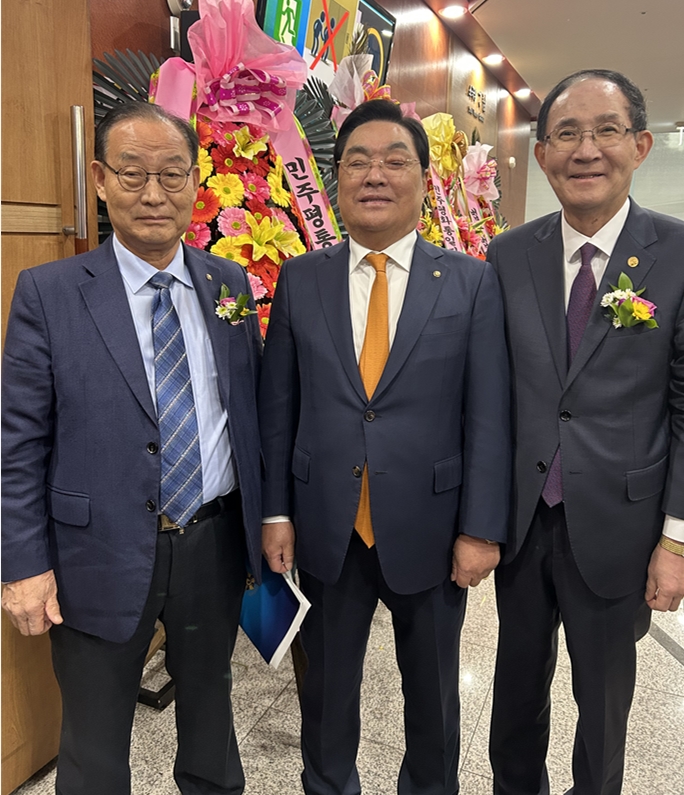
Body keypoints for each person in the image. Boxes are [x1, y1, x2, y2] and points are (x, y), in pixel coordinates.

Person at [1, 102, 263, 795]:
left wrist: (270, 521)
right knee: (93, 744)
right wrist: (23, 564)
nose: (154, 193)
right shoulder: (50, 292)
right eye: (132, 173)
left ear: (196, 181)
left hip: (212, 542)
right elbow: (18, 443)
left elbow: (250, 411)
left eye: (172, 174)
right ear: (99, 178)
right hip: (96, 552)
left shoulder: (228, 284)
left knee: (211, 719)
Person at [259, 98, 511, 795]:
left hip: (432, 528)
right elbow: (279, 409)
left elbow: (489, 416)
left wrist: (481, 529)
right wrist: (276, 513)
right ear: (337, 178)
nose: (375, 175)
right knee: (325, 694)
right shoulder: (301, 278)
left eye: (395, 161)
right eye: (358, 162)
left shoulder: (469, 281)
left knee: (432, 697)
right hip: (326, 527)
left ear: (423, 179)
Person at [487, 69, 684, 795]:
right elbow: (491, 397)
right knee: (514, 694)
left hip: (620, 524)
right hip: (521, 521)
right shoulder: (508, 254)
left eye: (606, 131)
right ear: (541, 153)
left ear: (640, 145)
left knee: (602, 705)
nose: (586, 149)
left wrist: (675, 542)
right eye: (566, 133)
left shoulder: (678, 253)